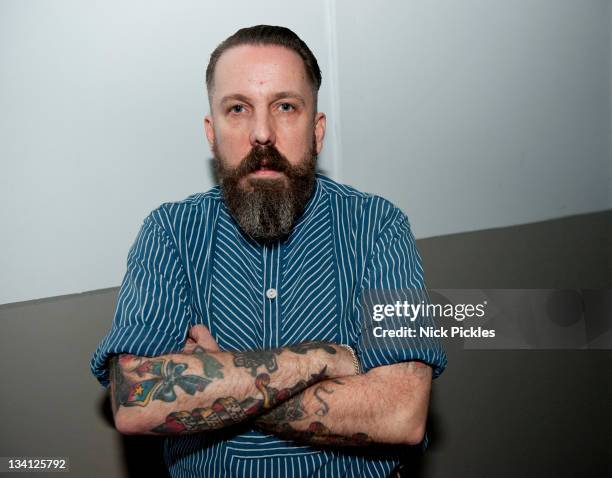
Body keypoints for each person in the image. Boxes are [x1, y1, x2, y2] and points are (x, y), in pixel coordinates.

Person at [91, 25, 446, 478]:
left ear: (317, 131)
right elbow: (134, 404)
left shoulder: (381, 226)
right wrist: (323, 360)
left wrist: (215, 378)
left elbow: (401, 414)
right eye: (238, 108)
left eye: (285, 106)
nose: (262, 133)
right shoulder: (168, 233)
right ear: (211, 132)